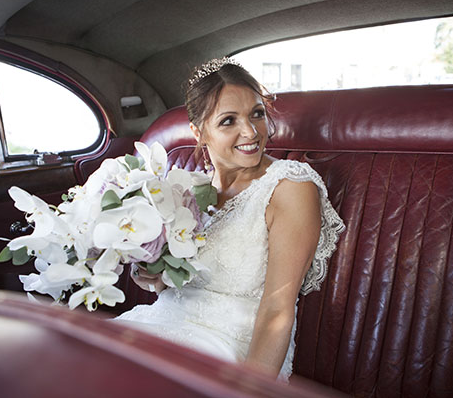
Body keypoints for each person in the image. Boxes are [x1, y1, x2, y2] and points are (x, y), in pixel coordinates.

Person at [116, 58, 344, 381]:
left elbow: (278, 311)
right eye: (228, 121)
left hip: (231, 351)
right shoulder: (187, 190)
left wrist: (247, 390)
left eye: (257, 114)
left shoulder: (290, 187)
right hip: (159, 324)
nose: (251, 132)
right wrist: (154, 273)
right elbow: (173, 284)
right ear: (199, 131)